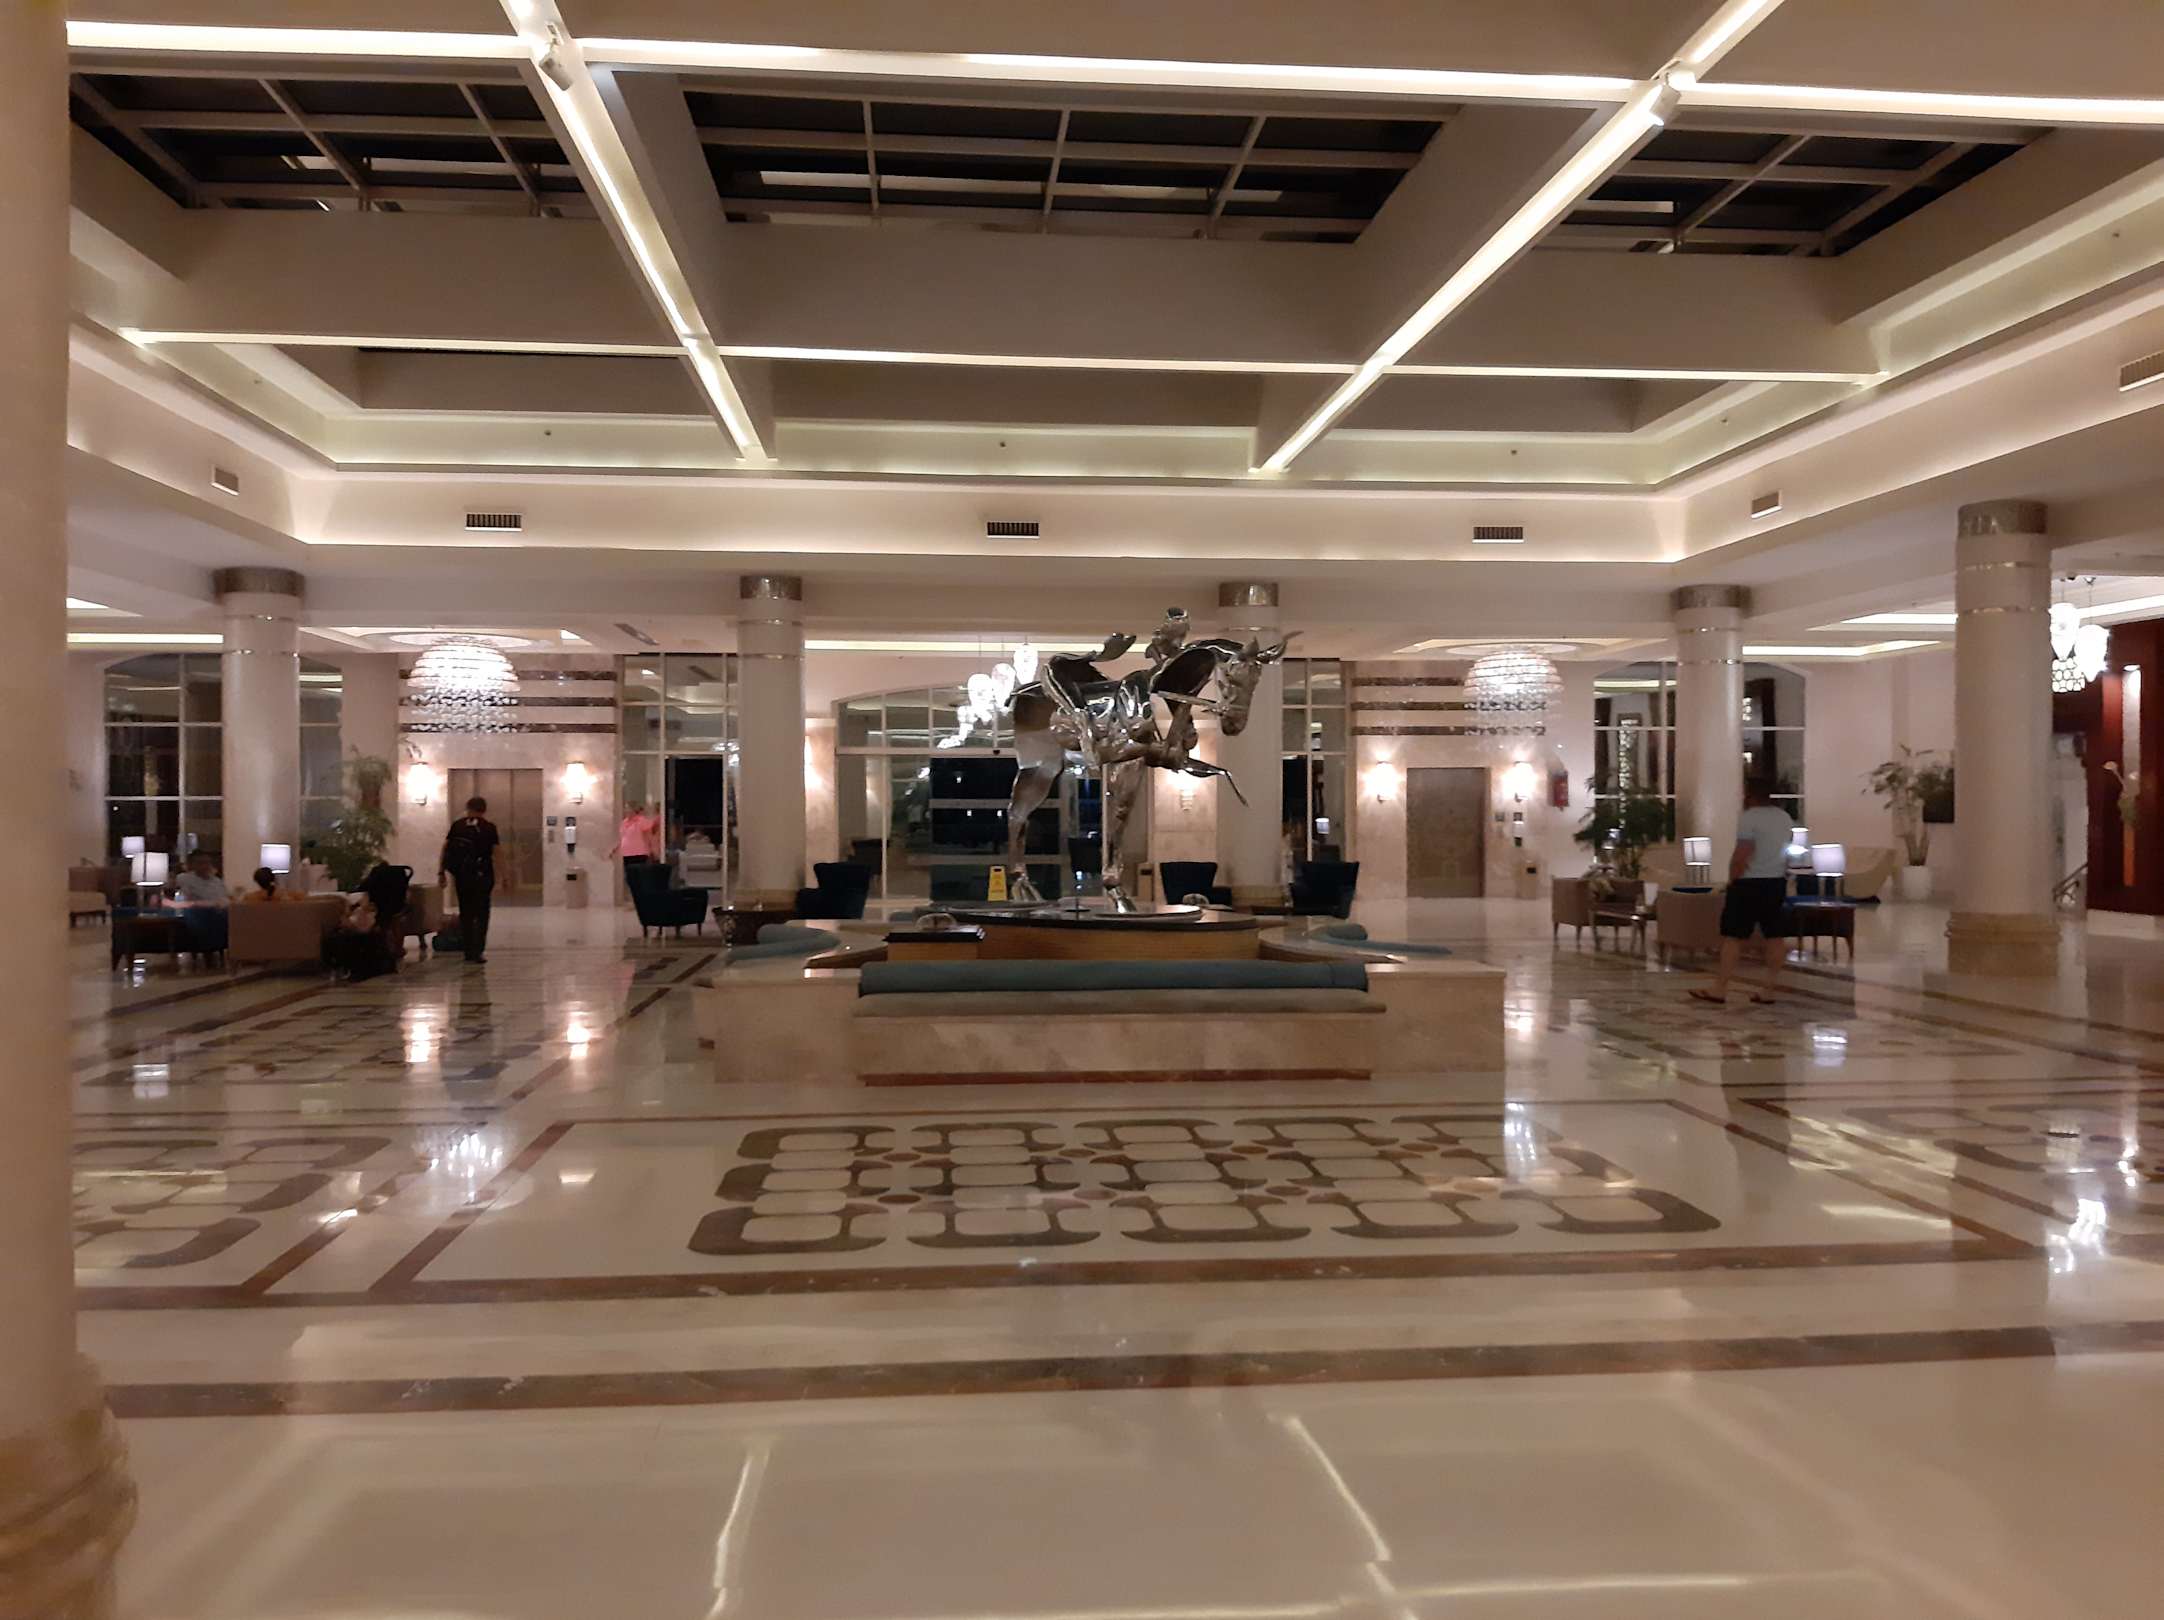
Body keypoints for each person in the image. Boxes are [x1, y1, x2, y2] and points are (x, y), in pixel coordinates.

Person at [1691, 778, 1794, 1007]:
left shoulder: (1749, 818)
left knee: (1733, 937)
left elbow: (1742, 854)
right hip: (1775, 882)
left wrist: (1731, 880)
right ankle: (1769, 989)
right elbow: (1787, 852)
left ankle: (1720, 988)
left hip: (1749, 883)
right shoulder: (1784, 818)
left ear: (1750, 794)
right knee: (1775, 937)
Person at [439, 797, 504, 965]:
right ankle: (478, 951)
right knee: (482, 914)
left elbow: (445, 848)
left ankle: (468, 951)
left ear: (468, 808)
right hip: (483, 875)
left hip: (462, 876)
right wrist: (503, 875)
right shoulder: (489, 827)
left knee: (466, 912)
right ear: (484, 810)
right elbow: (497, 852)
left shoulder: (457, 826)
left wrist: (441, 872)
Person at [168, 850, 231, 961]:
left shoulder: (216, 881)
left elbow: (224, 898)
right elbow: (191, 895)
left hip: (218, 910)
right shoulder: (185, 878)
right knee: (208, 914)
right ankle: (208, 951)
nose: (205, 866)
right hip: (197, 912)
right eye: (201, 863)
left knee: (231, 914)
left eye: (207, 863)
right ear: (193, 865)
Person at [611, 801, 662, 885]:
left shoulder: (641, 820)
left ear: (633, 809)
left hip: (639, 853)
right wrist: (615, 849)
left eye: (627, 808)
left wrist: (653, 849)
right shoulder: (624, 822)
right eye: (625, 808)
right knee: (630, 878)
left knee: (639, 878)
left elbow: (650, 831)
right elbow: (623, 837)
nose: (625, 810)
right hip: (626, 854)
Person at [238, 866, 303, 904]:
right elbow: (302, 897)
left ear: (256, 881)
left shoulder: (249, 898)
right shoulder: (285, 896)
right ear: (273, 879)